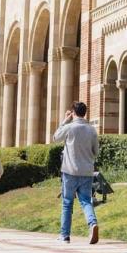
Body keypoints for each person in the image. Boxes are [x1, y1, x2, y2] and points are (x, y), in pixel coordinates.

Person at [51, 102, 100, 244]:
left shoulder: (69, 127)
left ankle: (65, 235)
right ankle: (92, 223)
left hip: (69, 171)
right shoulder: (92, 130)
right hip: (87, 171)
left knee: (67, 203)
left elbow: (55, 138)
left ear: (73, 112)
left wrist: (65, 120)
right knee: (86, 201)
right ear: (85, 113)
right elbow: (96, 151)